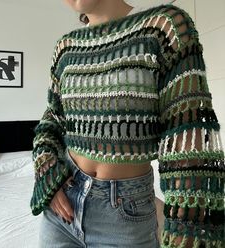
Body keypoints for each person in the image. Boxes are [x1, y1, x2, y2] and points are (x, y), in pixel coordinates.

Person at [30, 0, 225, 247]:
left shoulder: (163, 28)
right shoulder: (65, 48)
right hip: (62, 211)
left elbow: (187, 135)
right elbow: (52, 119)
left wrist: (189, 225)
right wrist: (47, 174)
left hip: (125, 215)